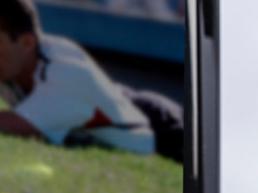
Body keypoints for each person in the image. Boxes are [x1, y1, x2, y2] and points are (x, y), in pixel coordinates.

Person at [0, 0, 159, 155]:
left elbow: (17, 124)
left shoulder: (64, 72)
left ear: (27, 43)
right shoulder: (20, 58)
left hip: (156, 133)